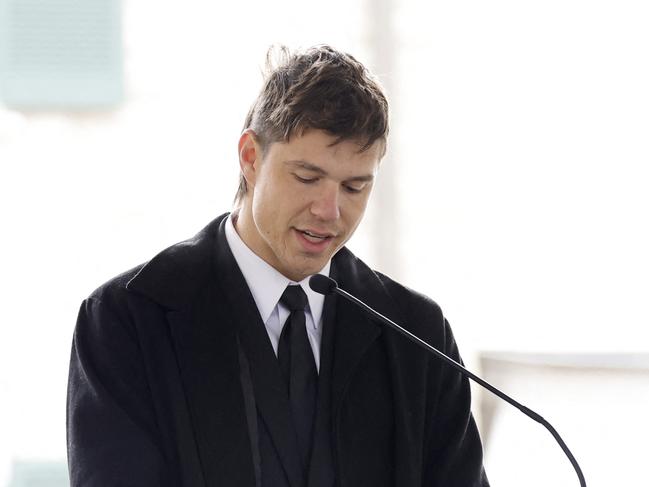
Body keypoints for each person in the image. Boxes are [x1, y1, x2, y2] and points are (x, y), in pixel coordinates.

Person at [67, 45, 489, 487]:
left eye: (354, 187)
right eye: (307, 178)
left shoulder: (419, 336)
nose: (329, 211)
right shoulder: (127, 320)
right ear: (250, 157)